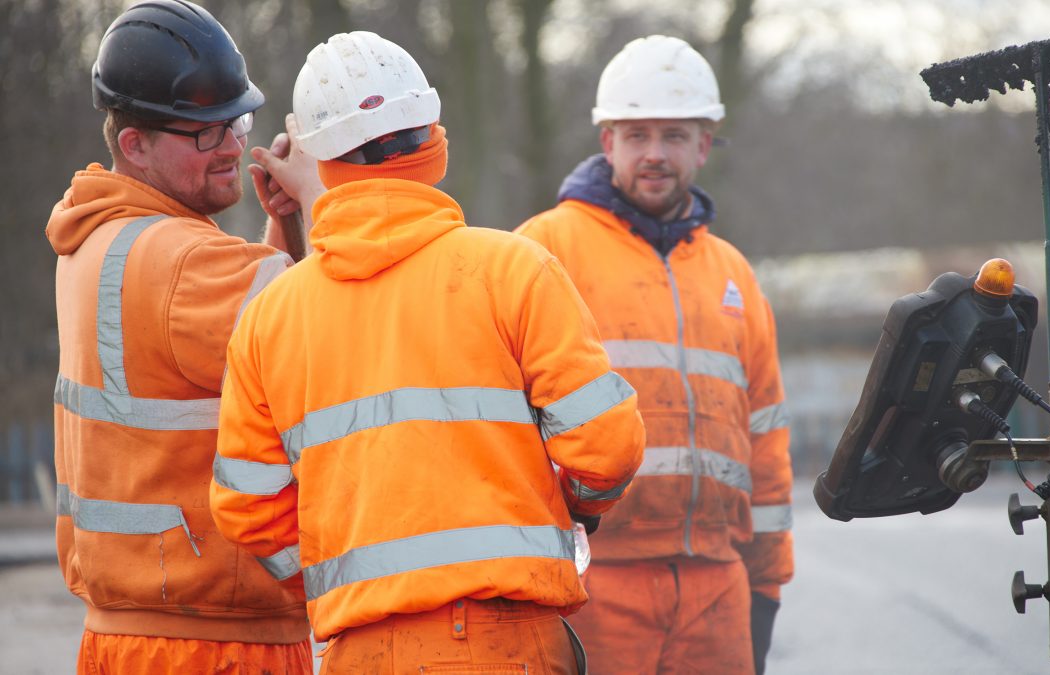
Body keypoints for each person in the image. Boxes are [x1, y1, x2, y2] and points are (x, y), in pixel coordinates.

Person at [208, 31, 646, 675]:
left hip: (361, 650)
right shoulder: (514, 271)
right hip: (511, 645)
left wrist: (351, 574)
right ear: (433, 141)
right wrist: (576, 508)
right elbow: (606, 448)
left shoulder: (269, 316)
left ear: (320, 161)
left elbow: (248, 509)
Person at [46, 1, 313, 672]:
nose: (231, 146)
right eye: (204, 133)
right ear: (134, 145)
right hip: (213, 645)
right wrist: (328, 198)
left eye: (236, 122)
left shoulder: (96, 238)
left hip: (128, 633)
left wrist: (286, 229)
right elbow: (339, 337)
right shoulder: (188, 260)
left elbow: (229, 334)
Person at [516, 35, 795, 675]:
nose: (654, 154)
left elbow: (767, 442)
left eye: (674, 135)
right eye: (636, 134)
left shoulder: (733, 275)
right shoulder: (541, 251)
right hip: (590, 578)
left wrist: (766, 586)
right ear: (606, 141)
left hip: (718, 586)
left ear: (704, 143)